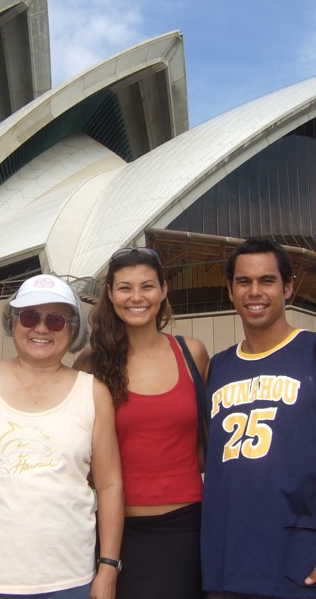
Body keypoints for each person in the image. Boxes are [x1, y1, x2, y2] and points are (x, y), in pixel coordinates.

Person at [201, 237, 316, 599]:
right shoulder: (217, 367)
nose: (255, 292)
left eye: (267, 280)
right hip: (226, 562)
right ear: (231, 291)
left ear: (288, 287)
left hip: (303, 560)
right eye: (244, 281)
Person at [0, 274, 123, 599]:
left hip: (70, 577)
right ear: (13, 322)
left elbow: (109, 485)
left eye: (55, 320)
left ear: (72, 330)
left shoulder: (93, 393)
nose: (42, 328)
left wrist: (108, 567)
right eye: (30, 316)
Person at [75, 247, 210, 599]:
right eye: (125, 287)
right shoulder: (91, 365)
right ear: (110, 294)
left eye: (147, 286)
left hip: (186, 529)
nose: (137, 297)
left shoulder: (192, 353)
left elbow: (207, 445)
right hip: (116, 533)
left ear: (163, 290)